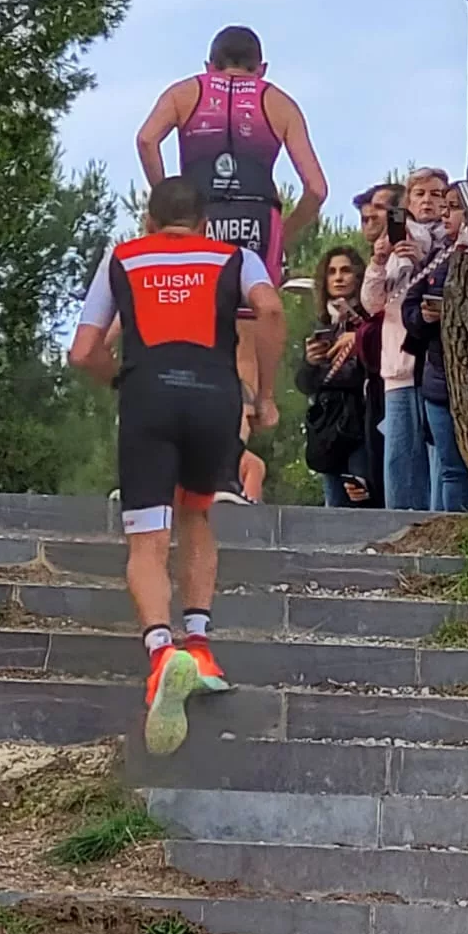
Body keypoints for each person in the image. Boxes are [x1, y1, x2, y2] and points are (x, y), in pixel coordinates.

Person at [68, 176, 285, 756]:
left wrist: (120, 378)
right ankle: (200, 642)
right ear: (205, 221)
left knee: (145, 539)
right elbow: (268, 308)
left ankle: (162, 652)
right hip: (214, 397)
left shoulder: (123, 257)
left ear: (148, 219)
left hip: (148, 398)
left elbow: (83, 350)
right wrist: (263, 396)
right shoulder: (235, 256)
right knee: (197, 518)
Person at [136, 26, 327, 500]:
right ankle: (223, 469)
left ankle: (170, 463)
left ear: (209, 65)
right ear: (261, 68)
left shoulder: (185, 92)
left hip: (196, 215)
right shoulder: (277, 101)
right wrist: (286, 234)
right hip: (257, 220)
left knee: (187, 333)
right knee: (241, 351)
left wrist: (165, 205)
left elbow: (145, 141)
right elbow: (317, 189)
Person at [360, 168, 448, 510]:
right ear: (408, 201)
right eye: (420, 194)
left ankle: (438, 519)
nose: (428, 201)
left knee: (436, 449)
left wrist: (424, 261)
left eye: (436, 194)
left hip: (437, 364)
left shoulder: (451, 239)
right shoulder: (396, 241)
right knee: (400, 453)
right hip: (399, 362)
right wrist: (379, 262)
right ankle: (400, 520)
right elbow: (373, 304)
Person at [401, 186, 468, 513]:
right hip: (438, 379)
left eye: (453, 207)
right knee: (451, 468)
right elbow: (409, 304)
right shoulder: (438, 256)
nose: (445, 214)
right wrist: (423, 316)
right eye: (444, 207)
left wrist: (455, 312)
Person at [296, 246, 371, 507]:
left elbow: (361, 373)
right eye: (332, 272)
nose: (338, 278)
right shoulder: (323, 324)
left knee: (361, 500)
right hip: (327, 428)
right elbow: (304, 384)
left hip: (360, 425)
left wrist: (329, 370)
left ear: (358, 277)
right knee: (333, 505)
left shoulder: (367, 322)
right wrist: (311, 362)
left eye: (345, 270)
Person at [353, 184, 402, 509]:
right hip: (378, 375)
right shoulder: (378, 260)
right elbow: (372, 305)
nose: (369, 217)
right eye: (364, 214)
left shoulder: (407, 254)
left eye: (379, 209)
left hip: (402, 370)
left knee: (398, 455)